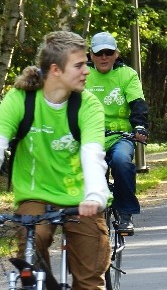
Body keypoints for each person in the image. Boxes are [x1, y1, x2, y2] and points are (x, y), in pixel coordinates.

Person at [0, 30, 110, 289]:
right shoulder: (20, 99)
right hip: (35, 196)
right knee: (31, 253)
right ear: (56, 70)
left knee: (88, 279)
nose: (87, 71)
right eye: (80, 65)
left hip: (82, 200)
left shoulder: (88, 105)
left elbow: (93, 153)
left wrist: (95, 196)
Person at [86, 31, 149, 233]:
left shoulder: (127, 74)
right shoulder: (82, 74)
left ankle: (125, 212)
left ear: (116, 54)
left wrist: (140, 126)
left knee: (122, 161)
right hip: (90, 136)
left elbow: (138, 103)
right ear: (90, 55)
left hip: (119, 136)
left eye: (108, 52)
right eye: (99, 53)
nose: (103, 57)